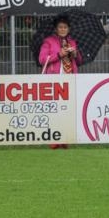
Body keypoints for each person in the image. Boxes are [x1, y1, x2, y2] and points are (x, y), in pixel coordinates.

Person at [38, 15, 81, 149]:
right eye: (60, 27)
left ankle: (65, 139)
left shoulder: (72, 42)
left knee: (67, 109)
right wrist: (58, 54)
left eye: (65, 27)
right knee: (54, 109)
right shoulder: (48, 42)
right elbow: (42, 59)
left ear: (68, 29)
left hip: (69, 79)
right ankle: (54, 140)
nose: (63, 29)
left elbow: (79, 61)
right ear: (56, 29)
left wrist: (75, 54)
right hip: (53, 79)